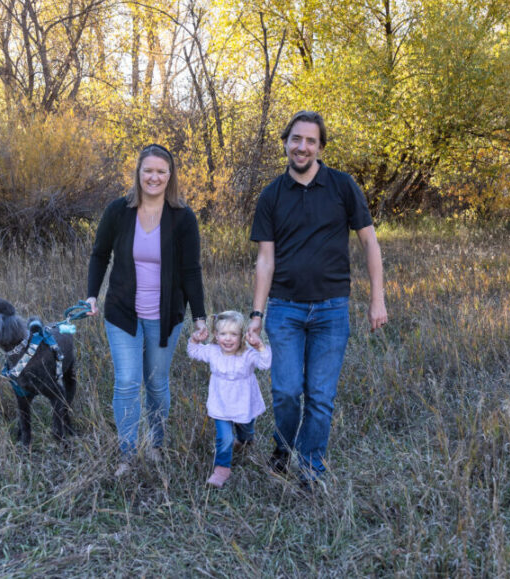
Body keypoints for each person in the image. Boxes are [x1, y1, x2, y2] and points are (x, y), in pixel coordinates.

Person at [246, 110, 388, 486]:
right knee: (287, 392)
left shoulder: (342, 187)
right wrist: (257, 314)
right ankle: (284, 445)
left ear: (320, 147)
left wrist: (378, 300)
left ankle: (310, 470)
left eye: (310, 140)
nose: (302, 147)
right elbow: (265, 259)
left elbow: (369, 242)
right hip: (285, 310)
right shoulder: (272, 195)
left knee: (321, 396)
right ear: (286, 143)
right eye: (296, 139)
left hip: (331, 310)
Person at [86, 144, 209, 476]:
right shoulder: (118, 211)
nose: (154, 177)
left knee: (155, 384)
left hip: (165, 315)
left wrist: (199, 317)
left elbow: (191, 271)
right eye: (148, 171)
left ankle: (155, 445)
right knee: (127, 382)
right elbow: (99, 255)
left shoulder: (183, 218)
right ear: (138, 174)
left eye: (161, 171)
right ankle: (127, 453)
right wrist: (91, 296)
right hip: (122, 313)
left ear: (170, 176)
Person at [187, 311, 272, 488]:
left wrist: (259, 346)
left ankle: (244, 440)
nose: (227, 339)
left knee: (246, 431)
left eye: (233, 334)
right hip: (221, 404)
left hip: (244, 403)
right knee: (224, 438)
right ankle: (222, 469)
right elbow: (194, 351)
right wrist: (195, 339)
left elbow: (265, 364)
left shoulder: (247, 354)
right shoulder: (213, 352)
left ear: (242, 336)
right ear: (216, 335)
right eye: (223, 334)